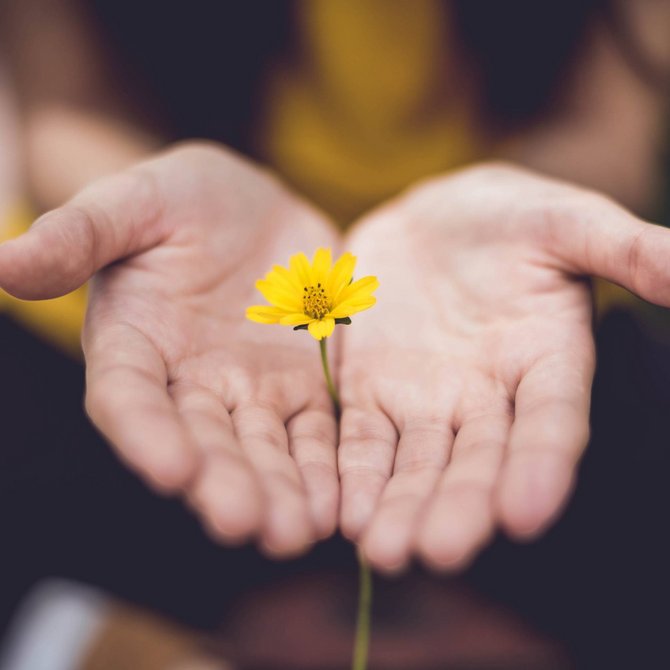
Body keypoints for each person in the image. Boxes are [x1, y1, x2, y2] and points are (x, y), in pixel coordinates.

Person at [0, 0, 669, 664]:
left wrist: (532, 203)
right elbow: (68, 109)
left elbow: (607, 128)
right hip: (176, 316)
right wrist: (132, 204)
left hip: (500, 320)